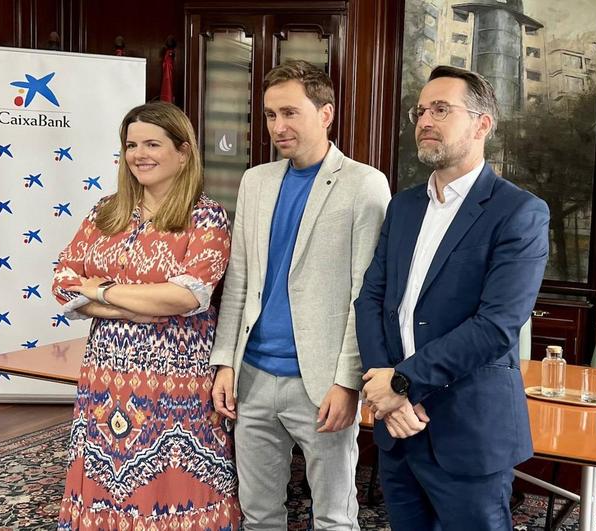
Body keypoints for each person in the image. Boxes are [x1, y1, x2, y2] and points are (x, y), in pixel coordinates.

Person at [355, 65, 550, 531]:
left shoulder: (519, 212)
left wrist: (401, 383)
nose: (425, 120)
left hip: (467, 430)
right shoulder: (403, 206)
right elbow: (371, 300)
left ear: (483, 124)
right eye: (420, 110)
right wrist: (389, 398)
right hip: (398, 429)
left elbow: (496, 326)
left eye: (441, 109)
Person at [209, 59, 391, 530]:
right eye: (270, 115)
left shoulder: (364, 184)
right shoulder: (256, 181)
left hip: (320, 383)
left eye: (290, 113)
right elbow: (240, 281)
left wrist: (348, 381)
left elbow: (364, 294)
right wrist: (226, 361)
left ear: (326, 113)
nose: (278, 126)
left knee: (333, 517)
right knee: (258, 515)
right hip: (252, 377)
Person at [53, 102, 240, 530]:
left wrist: (99, 290)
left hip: (177, 374)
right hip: (105, 374)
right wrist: (135, 302)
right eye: (131, 145)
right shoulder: (106, 211)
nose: (140, 154)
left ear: (183, 151)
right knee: (106, 480)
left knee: (174, 485)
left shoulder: (205, 216)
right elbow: (63, 282)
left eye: (152, 144)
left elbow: (187, 297)